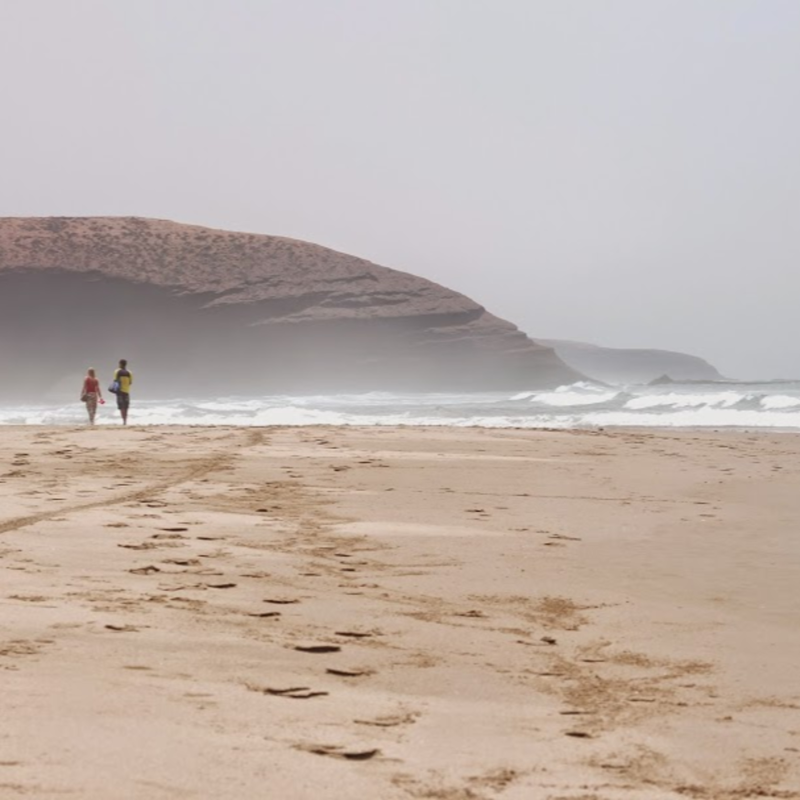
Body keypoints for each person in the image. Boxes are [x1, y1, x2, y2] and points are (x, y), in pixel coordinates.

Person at [113, 359, 133, 425]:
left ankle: (123, 420)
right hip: (126, 391)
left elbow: (115, 381)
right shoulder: (129, 373)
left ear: (120, 364)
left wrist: (116, 391)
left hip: (119, 392)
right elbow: (130, 382)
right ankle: (125, 421)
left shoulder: (117, 371)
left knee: (122, 407)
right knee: (126, 407)